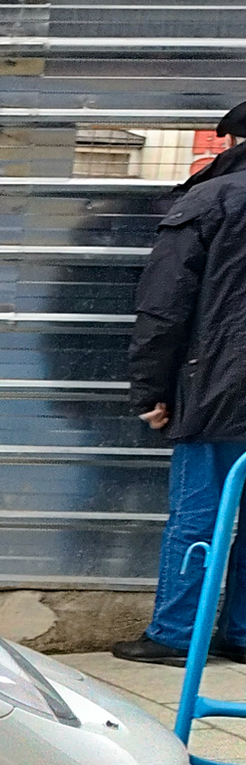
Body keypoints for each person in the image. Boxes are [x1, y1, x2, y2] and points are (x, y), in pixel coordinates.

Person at [113, 101, 246, 665]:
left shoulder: (211, 200)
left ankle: (173, 634)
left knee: (200, 511)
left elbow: (163, 306)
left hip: (220, 389)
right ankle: (241, 634)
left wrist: (149, 390)